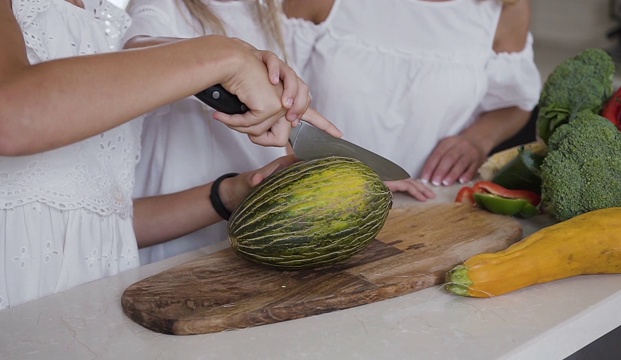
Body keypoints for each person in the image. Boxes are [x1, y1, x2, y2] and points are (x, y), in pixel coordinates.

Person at [0, 0, 339, 309]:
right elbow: (10, 115)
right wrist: (226, 56)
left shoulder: (101, 17)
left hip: (96, 307)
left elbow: (105, 217)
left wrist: (231, 194)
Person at [283, 0, 542, 198]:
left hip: (428, 207)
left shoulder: (505, 8)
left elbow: (516, 101)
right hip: (312, 195)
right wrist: (324, 182)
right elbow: (262, 96)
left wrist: (477, 140)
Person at [121, 0, 299, 265]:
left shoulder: (268, 18)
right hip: (173, 250)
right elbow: (133, 52)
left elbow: (281, 133)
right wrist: (229, 59)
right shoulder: (162, 6)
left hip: (247, 241)